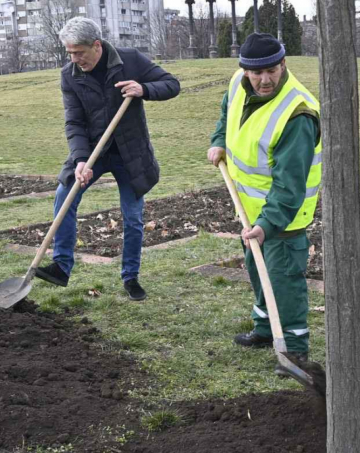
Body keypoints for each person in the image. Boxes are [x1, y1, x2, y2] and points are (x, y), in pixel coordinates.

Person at [34, 17, 180, 301]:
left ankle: (131, 277)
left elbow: (171, 84)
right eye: (70, 53)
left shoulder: (130, 61)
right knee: (65, 196)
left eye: (80, 52)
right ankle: (61, 266)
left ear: (96, 45)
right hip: (92, 152)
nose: (75, 59)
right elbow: (73, 121)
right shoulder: (70, 75)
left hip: (130, 153)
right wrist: (80, 160)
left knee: (133, 217)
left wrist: (144, 89)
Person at [207, 33, 321, 368]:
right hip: (249, 208)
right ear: (244, 70)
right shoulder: (238, 82)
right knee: (258, 270)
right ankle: (264, 328)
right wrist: (219, 140)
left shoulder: (296, 114)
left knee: (284, 279)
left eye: (272, 70)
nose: (265, 79)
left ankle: (296, 348)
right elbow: (227, 110)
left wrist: (268, 224)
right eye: (256, 73)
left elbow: (290, 186)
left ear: (283, 63)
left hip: (284, 214)